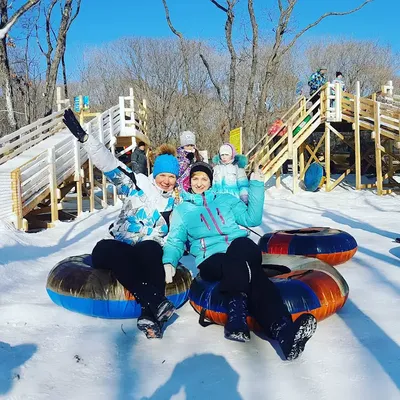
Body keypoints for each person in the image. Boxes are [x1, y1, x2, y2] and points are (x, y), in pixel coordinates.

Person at [162, 161, 317, 361]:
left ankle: (238, 319)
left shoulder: (225, 199)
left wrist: (256, 185)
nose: (199, 183)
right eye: (195, 179)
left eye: (204, 179)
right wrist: (169, 261)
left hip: (241, 250)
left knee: (239, 246)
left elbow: (252, 219)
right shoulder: (183, 210)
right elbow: (175, 240)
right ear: (189, 181)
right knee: (257, 279)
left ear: (210, 181)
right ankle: (284, 333)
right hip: (211, 258)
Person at [62, 109, 180, 339]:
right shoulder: (137, 184)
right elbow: (109, 163)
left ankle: (149, 314)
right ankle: (155, 300)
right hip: (123, 246)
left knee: (151, 248)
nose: (166, 181)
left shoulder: (176, 205)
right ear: (155, 174)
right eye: (163, 175)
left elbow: (179, 236)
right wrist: (86, 139)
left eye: (172, 177)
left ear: (176, 180)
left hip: (148, 252)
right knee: (104, 248)